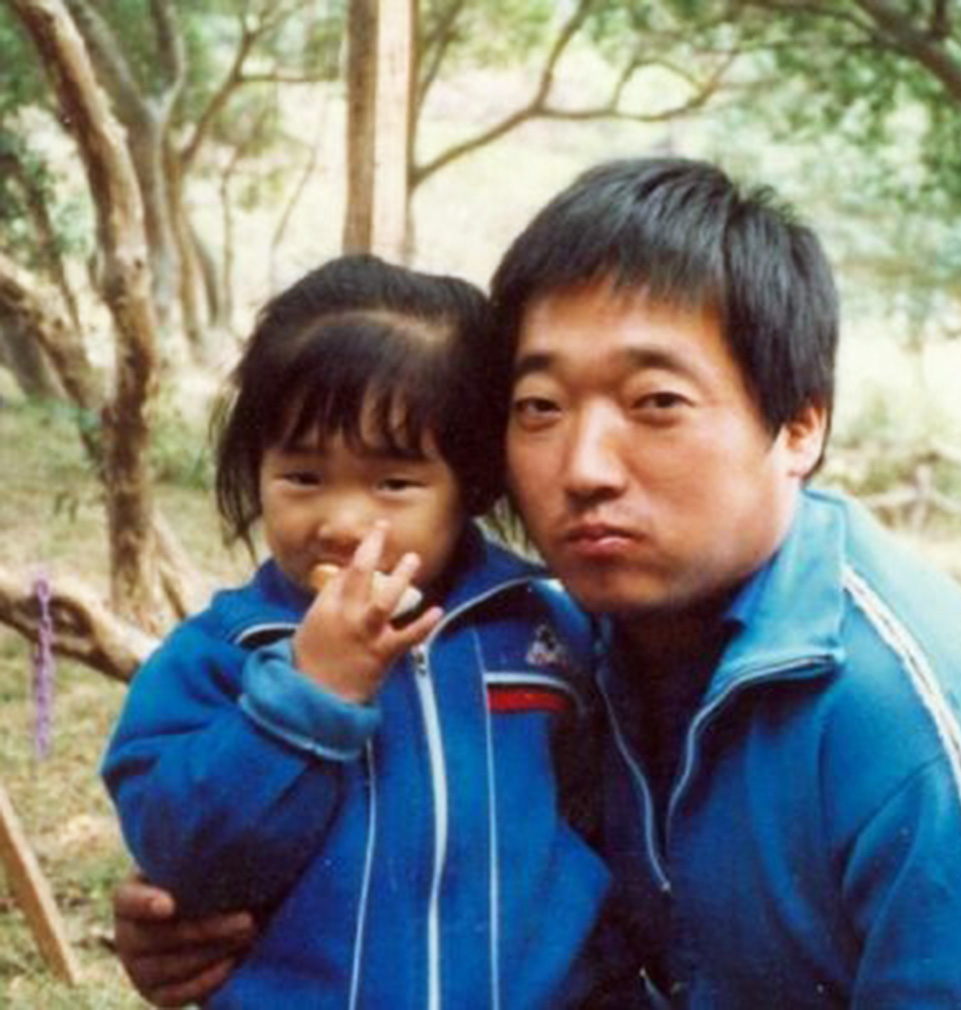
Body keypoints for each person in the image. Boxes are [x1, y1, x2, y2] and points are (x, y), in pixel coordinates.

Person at [113, 160, 961, 1006]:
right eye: (540, 407)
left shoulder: (923, 727)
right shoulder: (568, 636)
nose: (583, 466)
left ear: (799, 424)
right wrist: (205, 913)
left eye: (656, 401)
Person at [101, 255, 613, 1008]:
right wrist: (305, 696)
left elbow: (607, 831)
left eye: (393, 483)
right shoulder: (215, 659)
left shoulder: (544, 635)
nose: (341, 523)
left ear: (470, 484)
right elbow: (181, 857)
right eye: (302, 476)